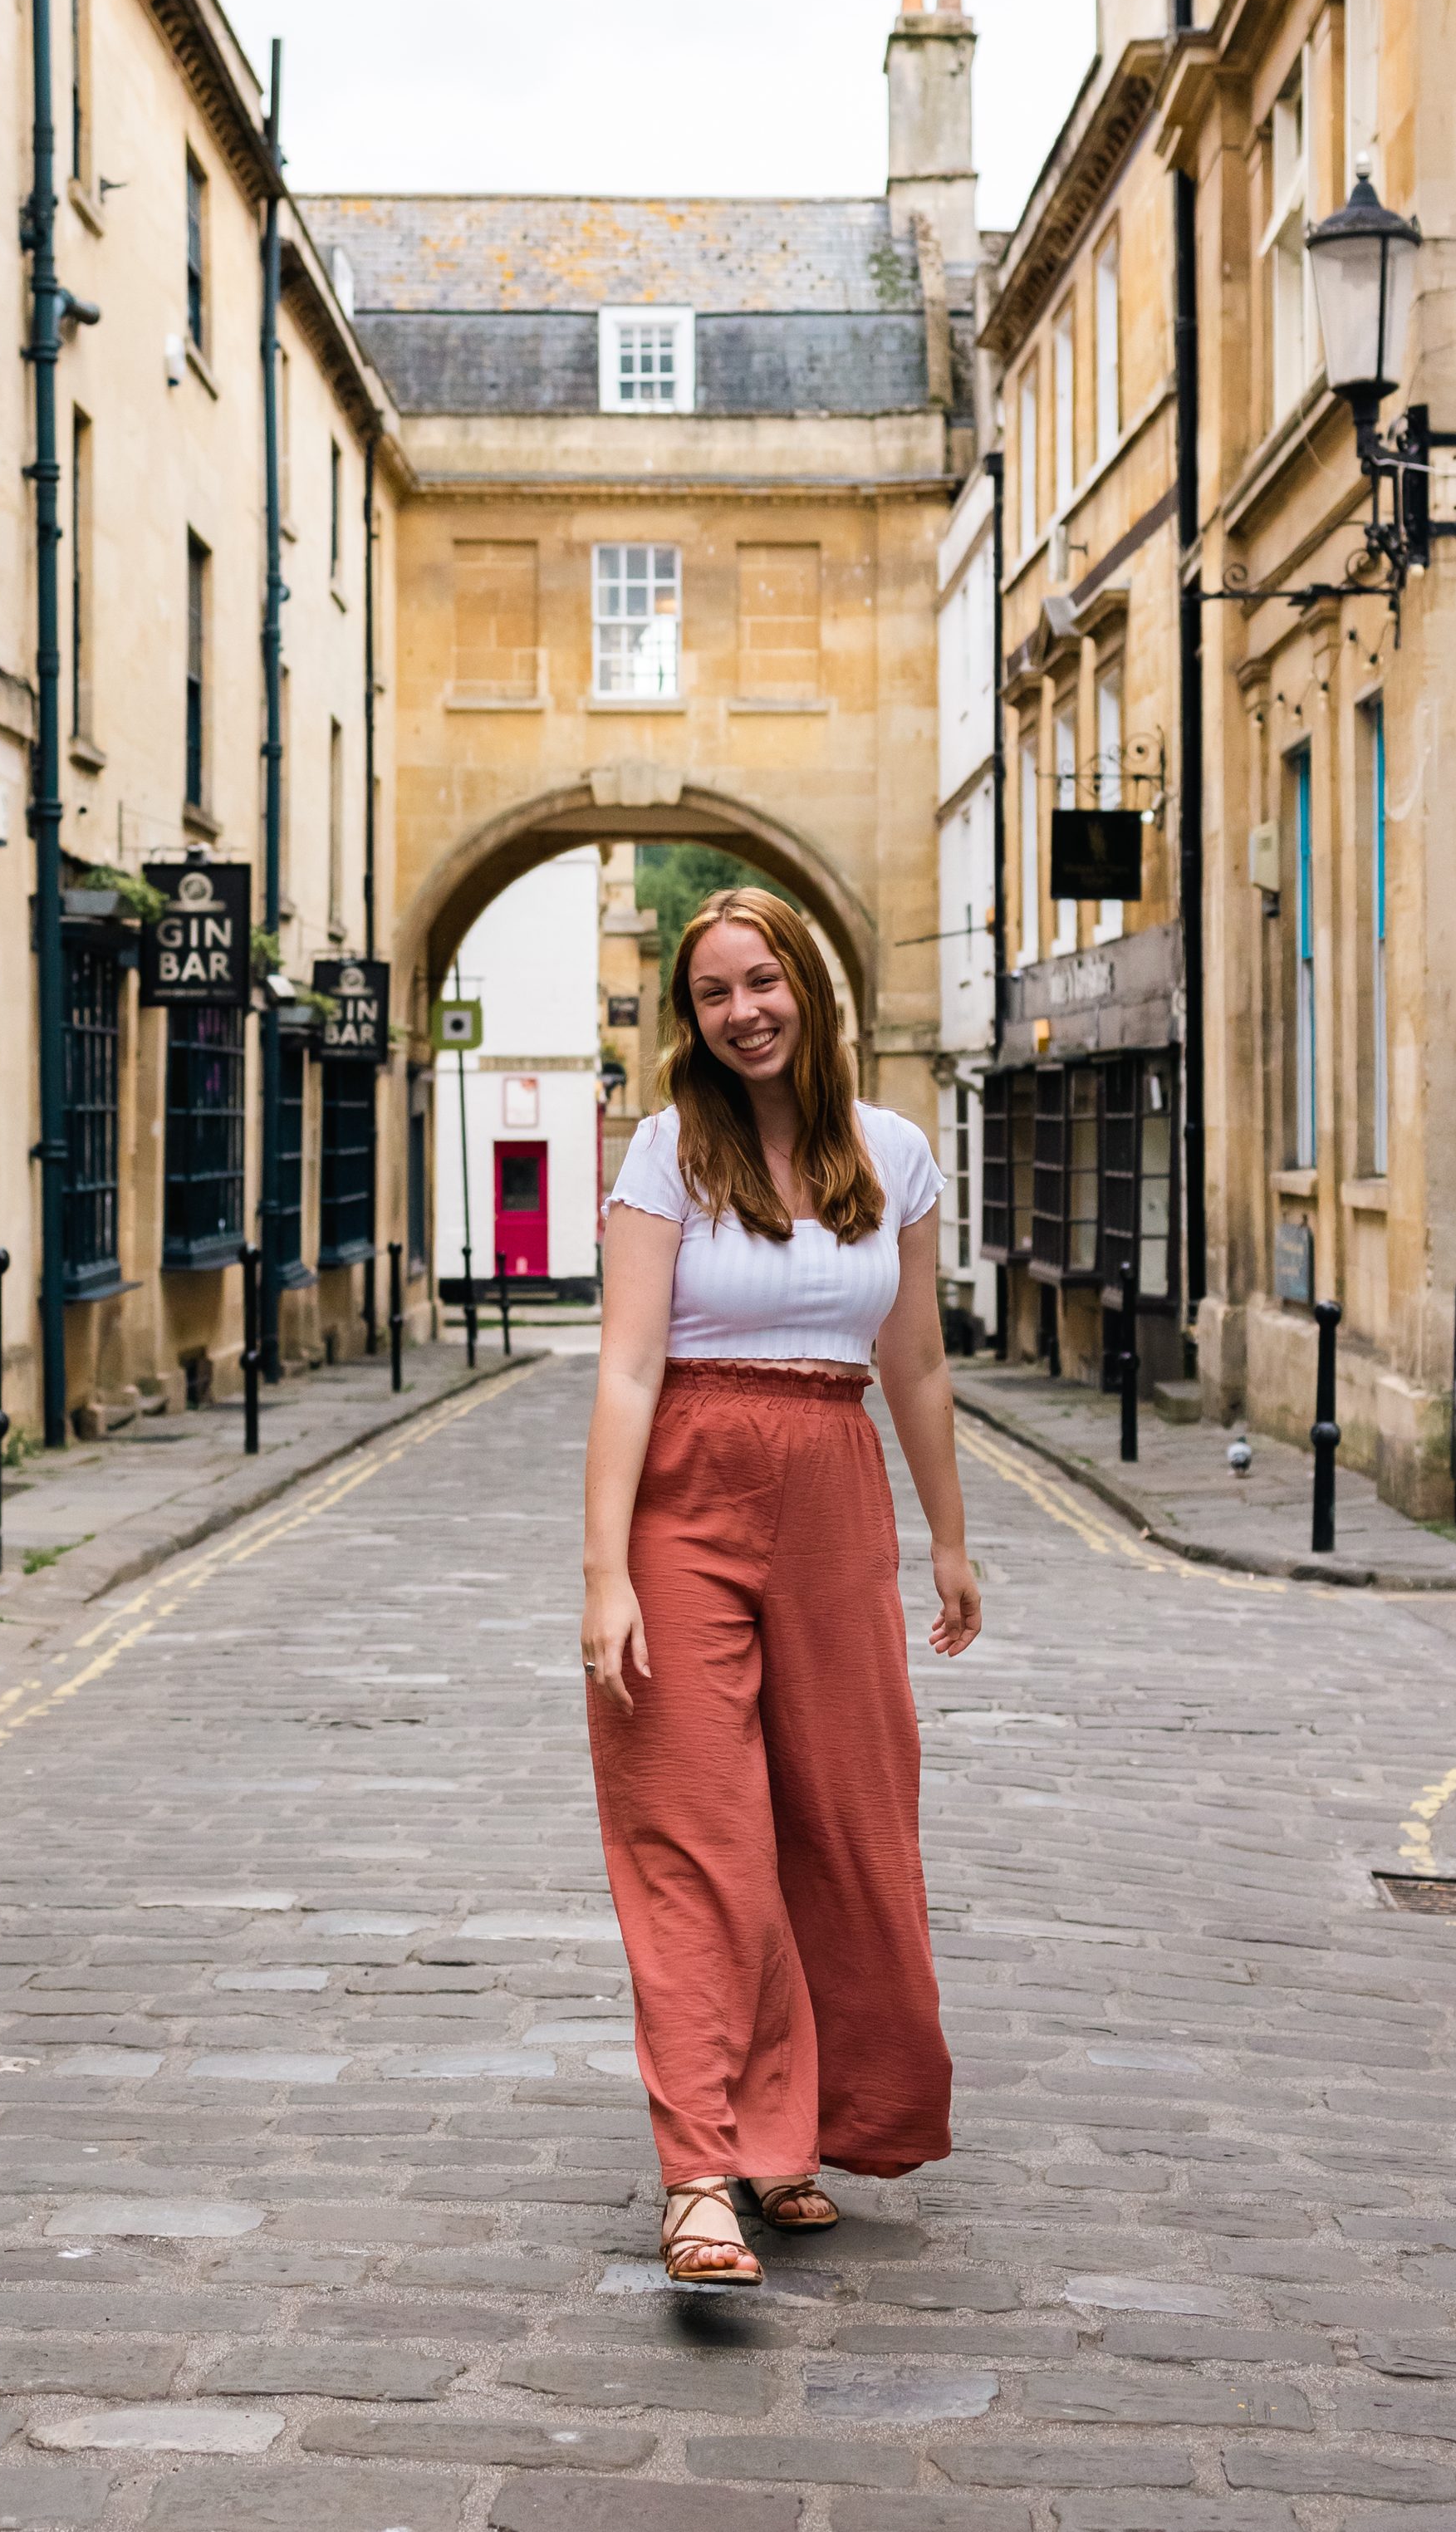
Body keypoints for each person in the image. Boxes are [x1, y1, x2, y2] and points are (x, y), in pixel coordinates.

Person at [581, 884, 981, 2286]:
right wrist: (604, 1575)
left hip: (835, 1495)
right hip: (686, 1498)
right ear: (688, 1020)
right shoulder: (664, 1155)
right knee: (696, 1832)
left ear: (807, 988)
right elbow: (626, 1367)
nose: (742, 1010)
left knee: (843, 1825)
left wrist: (948, 1534)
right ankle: (699, 2168)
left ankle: (793, 2134)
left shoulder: (897, 1155)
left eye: (762, 982)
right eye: (711, 994)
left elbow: (917, 1364)